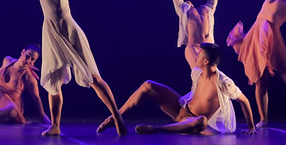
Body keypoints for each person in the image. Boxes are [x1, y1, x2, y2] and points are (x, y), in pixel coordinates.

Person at [5, 0, 124, 136]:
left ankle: (117, 117)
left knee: (94, 79)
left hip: (69, 34)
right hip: (51, 35)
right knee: (53, 82)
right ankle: (56, 126)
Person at [97, 43, 257, 135]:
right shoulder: (198, 72)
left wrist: (251, 127)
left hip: (195, 122)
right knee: (148, 85)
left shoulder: (224, 82)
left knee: (202, 121)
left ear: (206, 61)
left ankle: (157, 129)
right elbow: (189, 50)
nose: (197, 56)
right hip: (181, 109)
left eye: (200, 54)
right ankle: (116, 116)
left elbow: (244, 101)